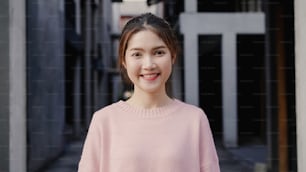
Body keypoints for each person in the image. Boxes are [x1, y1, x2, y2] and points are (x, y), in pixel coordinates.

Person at [78, 13, 220, 172]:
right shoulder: (104, 121)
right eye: (137, 54)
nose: (149, 65)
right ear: (124, 61)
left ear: (172, 56)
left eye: (158, 52)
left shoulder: (195, 120)